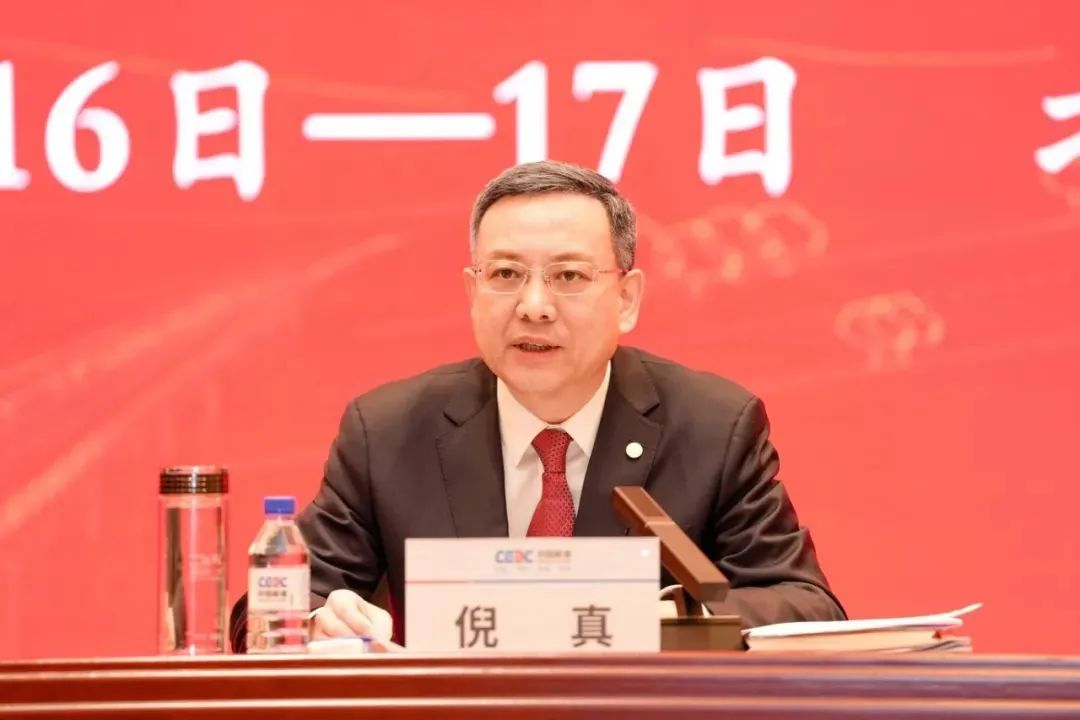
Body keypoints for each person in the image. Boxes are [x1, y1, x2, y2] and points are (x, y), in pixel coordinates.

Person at [230, 160, 844, 651]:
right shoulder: (389, 432)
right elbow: (262, 614)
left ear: (627, 298)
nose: (534, 306)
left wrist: (656, 624)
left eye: (569, 277)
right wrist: (318, 623)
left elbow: (806, 606)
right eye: (505, 275)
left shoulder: (712, 426)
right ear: (472, 292)